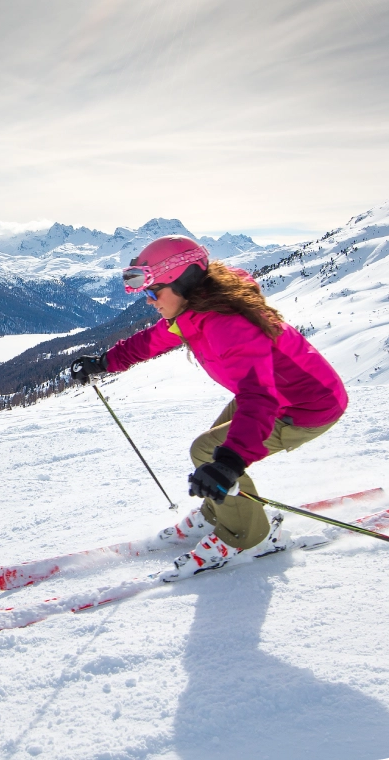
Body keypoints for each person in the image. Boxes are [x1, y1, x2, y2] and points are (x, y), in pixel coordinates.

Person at [70, 235, 347, 579]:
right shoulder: (196, 310)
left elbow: (259, 398)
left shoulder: (228, 324)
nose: (149, 300)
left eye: (154, 291)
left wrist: (230, 463)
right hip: (274, 394)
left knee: (211, 453)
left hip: (306, 407)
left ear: (184, 280)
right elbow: (153, 340)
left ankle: (250, 537)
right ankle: (220, 513)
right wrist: (105, 362)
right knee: (216, 451)